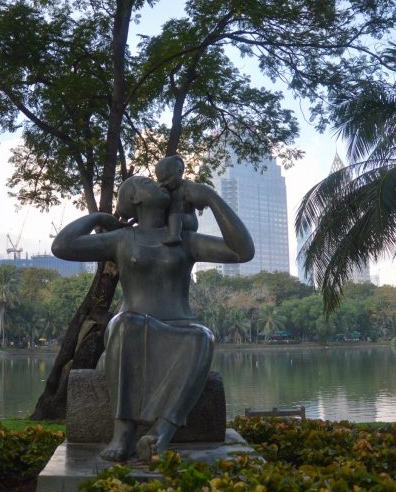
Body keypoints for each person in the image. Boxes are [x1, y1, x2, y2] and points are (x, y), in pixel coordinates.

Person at [52, 170, 254, 462]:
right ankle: (123, 432)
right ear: (133, 198)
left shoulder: (185, 239)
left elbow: (242, 251)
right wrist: (99, 217)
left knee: (203, 336)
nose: (156, 183)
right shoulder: (122, 238)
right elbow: (62, 246)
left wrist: (210, 197)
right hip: (132, 324)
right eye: (146, 182)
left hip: (180, 327)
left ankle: (161, 433)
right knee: (125, 324)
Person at [154, 154, 199, 246]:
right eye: (162, 181)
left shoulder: (187, 186)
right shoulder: (166, 190)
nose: (165, 183)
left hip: (188, 220)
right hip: (171, 222)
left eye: (168, 179)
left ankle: (174, 237)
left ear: (180, 172)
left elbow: (199, 202)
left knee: (175, 217)